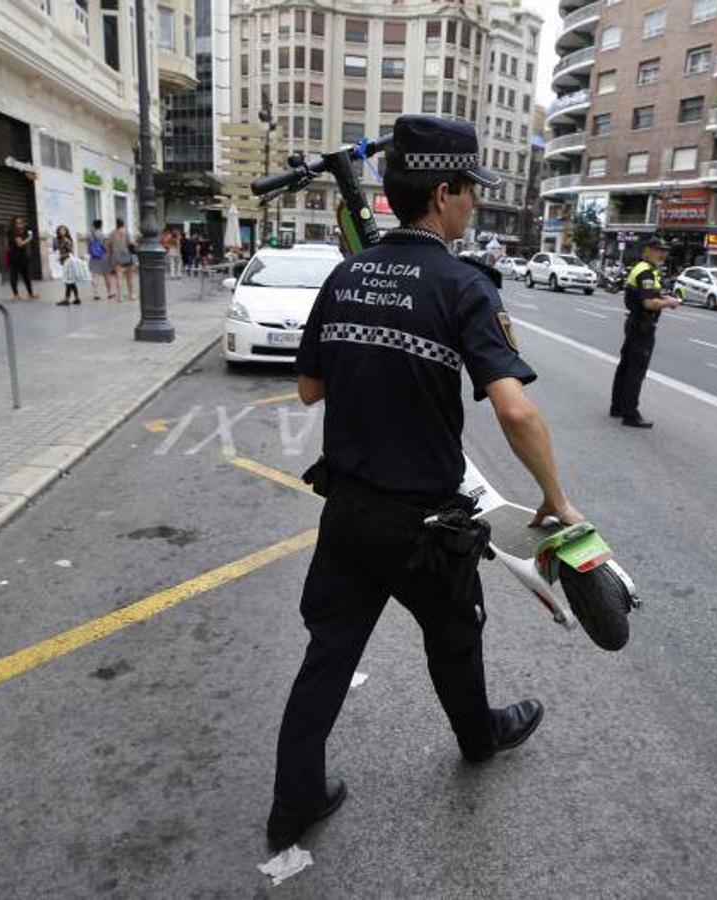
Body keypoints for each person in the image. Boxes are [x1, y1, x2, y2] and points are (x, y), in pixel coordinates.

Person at [265, 115, 579, 856]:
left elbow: (310, 389)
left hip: (347, 511)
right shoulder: (462, 286)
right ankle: (479, 737)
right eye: (471, 190)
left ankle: (293, 802)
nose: (475, 202)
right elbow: (514, 406)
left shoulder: (345, 275)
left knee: (327, 658)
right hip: (421, 525)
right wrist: (556, 499)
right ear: (443, 193)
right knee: (455, 634)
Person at [610, 237, 678, 428]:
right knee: (636, 370)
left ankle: (617, 406)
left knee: (625, 365)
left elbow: (650, 295)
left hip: (635, 323)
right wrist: (669, 303)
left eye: (663, 250)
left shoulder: (642, 268)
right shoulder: (646, 272)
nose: (662, 254)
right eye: (658, 250)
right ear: (647, 250)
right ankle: (630, 413)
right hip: (642, 325)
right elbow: (649, 303)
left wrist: (663, 298)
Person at [6, 216, 37, 300]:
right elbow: (20, 244)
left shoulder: (24, 231)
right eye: (17, 223)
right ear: (14, 224)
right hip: (14, 257)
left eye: (21, 223)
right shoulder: (12, 232)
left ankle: (30, 293)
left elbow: (31, 230)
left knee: (26, 275)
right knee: (14, 275)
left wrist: (30, 233)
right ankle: (16, 295)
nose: (20, 224)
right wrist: (29, 238)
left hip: (23, 256)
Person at [57, 230, 87, 306]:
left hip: (68, 262)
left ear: (66, 232)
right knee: (71, 281)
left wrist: (62, 256)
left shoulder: (66, 241)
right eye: (60, 230)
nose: (61, 232)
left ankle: (67, 299)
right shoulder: (60, 240)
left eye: (62, 230)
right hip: (65, 262)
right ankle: (77, 298)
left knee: (68, 281)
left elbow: (70, 252)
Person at [107, 218, 135, 301]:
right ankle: (130, 295)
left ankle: (120, 297)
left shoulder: (112, 234)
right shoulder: (126, 233)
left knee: (119, 277)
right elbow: (130, 243)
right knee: (130, 278)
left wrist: (111, 255)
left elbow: (109, 245)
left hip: (116, 258)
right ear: (123, 224)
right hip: (127, 257)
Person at [87, 219, 110, 300]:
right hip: (103, 256)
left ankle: (95, 293)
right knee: (106, 275)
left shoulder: (90, 235)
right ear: (101, 225)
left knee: (95, 275)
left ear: (93, 225)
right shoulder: (103, 235)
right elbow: (106, 246)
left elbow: (89, 247)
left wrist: (91, 253)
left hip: (94, 257)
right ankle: (109, 293)